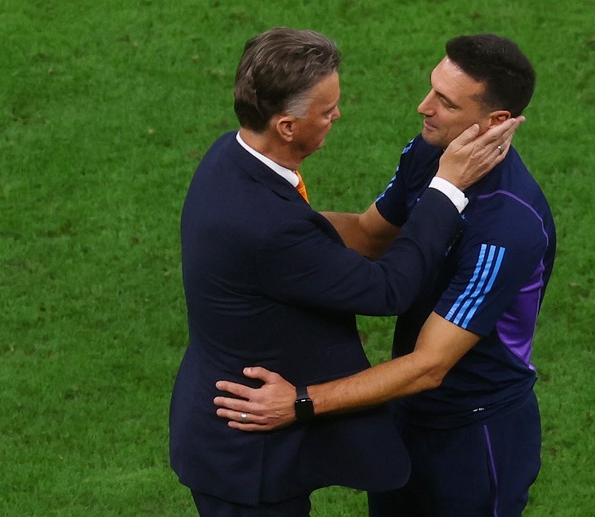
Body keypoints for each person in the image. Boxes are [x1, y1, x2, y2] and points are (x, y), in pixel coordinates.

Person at [169, 27, 520, 517]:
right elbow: (391, 289)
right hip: (249, 461)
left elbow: (332, 238)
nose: (338, 114)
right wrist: (447, 188)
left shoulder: (228, 158)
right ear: (288, 126)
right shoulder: (271, 228)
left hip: (231, 432)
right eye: (327, 109)